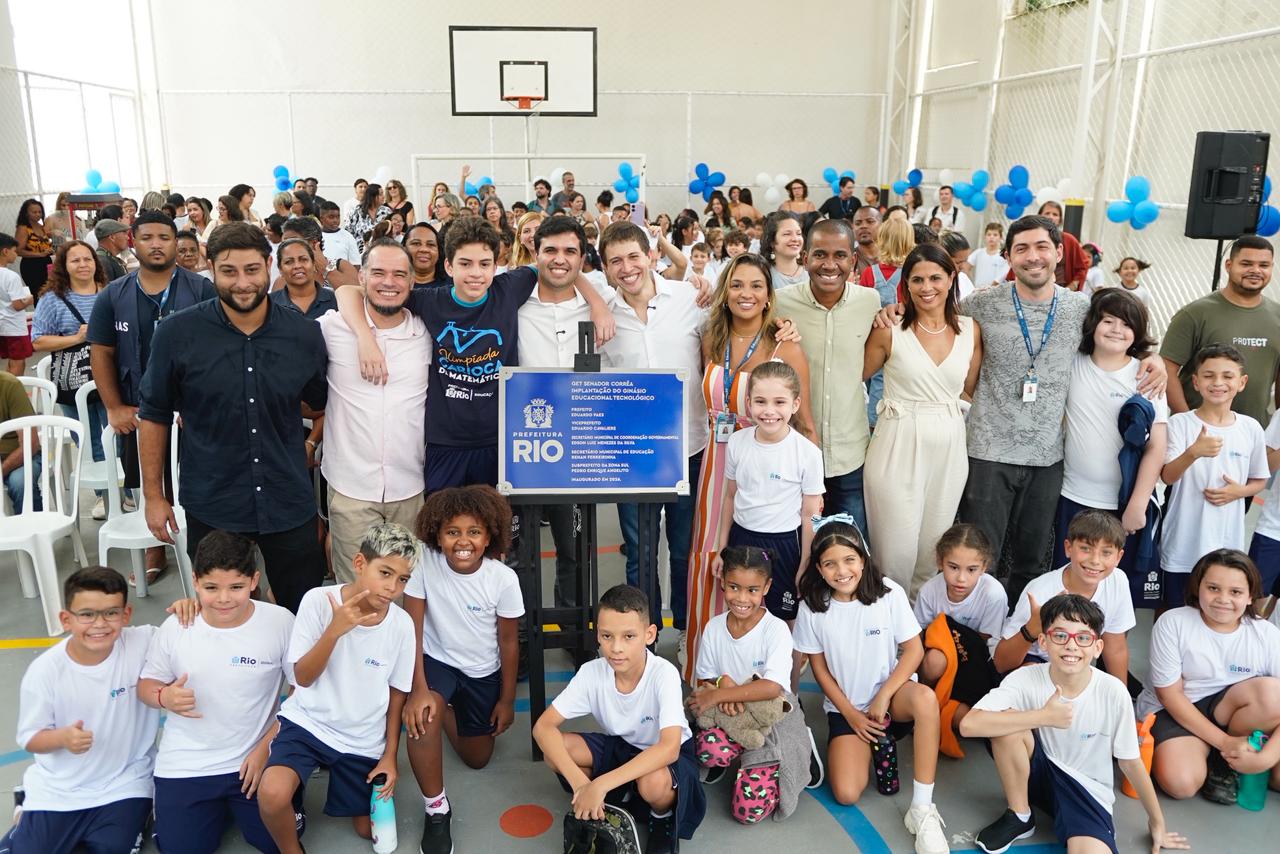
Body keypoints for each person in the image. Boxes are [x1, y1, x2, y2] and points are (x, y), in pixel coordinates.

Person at [948, 215, 1164, 604]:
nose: (1033, 257)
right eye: (1022, 249)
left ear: (1059, 253)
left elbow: (1122, 330)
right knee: (982, 557)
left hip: (1048, 458)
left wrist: (1154, 359)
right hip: (987, 453)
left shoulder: (1082, 308)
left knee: (1033, 561)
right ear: (1008, 257)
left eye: (1041, 247)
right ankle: (979, 635)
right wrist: (890, 313)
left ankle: (1022, 630)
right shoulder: (980, 304)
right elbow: (932, 322)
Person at [337, 216, 611, 493]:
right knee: (443, 518)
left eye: (484, 264)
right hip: (445, 443)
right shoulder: (430, 300)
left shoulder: (509, 288)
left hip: (500, 440)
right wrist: (364, 337)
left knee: (495, 519)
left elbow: (556, 267)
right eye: (465, 264)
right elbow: (348, 291)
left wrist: (597, 303)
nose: (476, 273)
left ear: (495, 266)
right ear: (448, 266)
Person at [138, 221, 328, 613]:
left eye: (252, 270)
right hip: (214, 499)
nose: (242, 283)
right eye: (229, 271)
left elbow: (320, 401)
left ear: (268, 265)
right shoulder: (176, 333)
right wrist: (154, 496)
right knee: (223, 613)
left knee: (302, 610)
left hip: (286, 497)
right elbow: (154, 415)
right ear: (210, 268)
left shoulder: (303, 334)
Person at [963, 594, 1187, 854]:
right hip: (1039, 774)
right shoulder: (1024, 678)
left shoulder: (1113, 691)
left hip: (1085, 789)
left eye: (1083, 638)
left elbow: (1130, 762)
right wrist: (1042, 716)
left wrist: (1157, 822)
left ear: (1098, 647)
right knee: (1007, 724)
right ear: (1043, 642)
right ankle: (1020, 815)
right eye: (1060, 636)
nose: (1071, 646)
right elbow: (969, 725)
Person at [684, 253, 813, 676]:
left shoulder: (784, 345)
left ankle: (764, 672)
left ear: (769, 294)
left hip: (764, 464)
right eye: (737, 284)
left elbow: (805, 422)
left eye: (757, 285)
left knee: (761, 567)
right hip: (716, 461)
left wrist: (812, 494)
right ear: (725, 292)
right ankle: (709, 662)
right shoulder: (711, 337)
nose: (746, 293)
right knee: (711, 555)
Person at [255, 523, 418, 854]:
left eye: (402, 579)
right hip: (309, 724)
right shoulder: (318, 601)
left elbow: (397, 695)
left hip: (362, 737)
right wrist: (334, 631)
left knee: (367, 831)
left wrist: (390, 756)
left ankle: (320, 785)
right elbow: (302, 678)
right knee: (272, 794)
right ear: (359, 563)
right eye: (385, 573)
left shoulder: (401, 625)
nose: (392, 588)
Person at [792, 520, 948, 854]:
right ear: (818, 568)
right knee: (847, 793)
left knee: (925, 698)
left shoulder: (888, 592)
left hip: (891, 699)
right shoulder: (812, 607)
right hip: (849, 709)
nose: (841, 571)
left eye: (849, 560)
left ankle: (922, 809)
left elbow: (914, 650)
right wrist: (851, 714)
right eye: (830, 563)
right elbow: (819, 669)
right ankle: (876, 742)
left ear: (863, 559)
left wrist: (883, 696)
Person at [138, 531, 295, 854]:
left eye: (236, 587)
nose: (224, 598)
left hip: (254, 758)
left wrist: (267, 747)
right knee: (181, 849)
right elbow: (146, 685)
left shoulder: (280, 622)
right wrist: (163, 697)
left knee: (276, 840)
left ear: (254, 581)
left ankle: (225, 810)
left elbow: (302, 692)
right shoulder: (177, 626)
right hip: (187, 763)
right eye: (211, 588)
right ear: (195, 581)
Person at [89, 210, 216, 585]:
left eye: (164, 237)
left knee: (201, 484)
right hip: (141, 409)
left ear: (176, 242)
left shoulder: (201, 290)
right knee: (150, 481)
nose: (156, 245)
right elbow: (101, 352)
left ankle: (207, 553)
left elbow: (217, 352)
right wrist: (114, 407)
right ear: (133, 242)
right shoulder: (114, 295)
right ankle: (155, 546)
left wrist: (201, 405)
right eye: (147, 238)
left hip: (192, 411)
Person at [533, 584, 706, 853]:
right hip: (622, 746)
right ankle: (612, 796)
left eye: (628, 636)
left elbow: (669, 748)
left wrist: (600, 784)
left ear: (649, 635)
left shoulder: (663, 674)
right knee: (555, 752)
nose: (615, 648)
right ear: (598, 635)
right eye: (607, 636)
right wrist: (582, 785)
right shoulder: (591, 672)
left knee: (652, 782)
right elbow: (543, 727)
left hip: (663, 755)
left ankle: (661, 818)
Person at [4, 567, 158, 854]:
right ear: (66, 619)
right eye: (87, 614)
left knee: (113, 849)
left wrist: (190, 606)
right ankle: (26, 805)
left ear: (126, 614)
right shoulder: (45, 672)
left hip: (124, 781)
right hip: (61, 788)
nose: (100, 624)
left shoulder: (143, 641)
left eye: (111, 613)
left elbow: (189, 631)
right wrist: (62, 738)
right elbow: (30, 738)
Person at [403, 486, 522, 854]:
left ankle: (447, 710)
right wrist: (417, 690)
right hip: (436, 662)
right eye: (452, 532)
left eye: (474, 532)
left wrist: (506, 700)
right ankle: (436, 808)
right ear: (437, 535)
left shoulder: (503, 579)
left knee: (477, 758)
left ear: (489, 537)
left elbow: (509, 643)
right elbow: (412, 629)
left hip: (481, 671)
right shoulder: (424, 561)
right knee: (423, 717)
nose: (463, 541)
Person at [863, 244, 981, 596]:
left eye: (935, 278)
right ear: (906, 285)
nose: (926, 287)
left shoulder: (970, 330)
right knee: (894, 551)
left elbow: (970, 389)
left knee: (933, 548)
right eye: (917, 280)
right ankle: (887, 620)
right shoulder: (890, 329)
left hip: (948, 443)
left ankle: (922, 620)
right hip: (898, 439)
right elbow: (852, 378)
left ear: (951, 278)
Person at [317, 238, 428, 582]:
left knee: (407, 587)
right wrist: (365, 337)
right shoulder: (332, 328)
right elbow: (344, 292)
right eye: (378, 272)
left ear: (412, 281)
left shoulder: (428, 333)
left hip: (410, 486)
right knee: (356, 590)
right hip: (350, 487)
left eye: (399, 274)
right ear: (362, 277)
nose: (388, 282)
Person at [686, 545, 817, 824]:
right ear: (723, 583)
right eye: (734, 587)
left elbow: (772, 688)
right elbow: (707, 677)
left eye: (752, 590)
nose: (742, 598)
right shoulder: (714, 627)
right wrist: (720, 683)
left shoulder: (776, 629)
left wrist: (722, 694)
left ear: (766, 587)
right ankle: (738, 753)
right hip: (731, 712)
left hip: (770, 714)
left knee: (747, 813)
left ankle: (792, 748)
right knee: (706, 750)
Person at [1136, 549, 1280, 802]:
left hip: (1232, 712)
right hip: (1177, 710)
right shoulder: (1173, 623)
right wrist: (1224, 742)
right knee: (1181, 783)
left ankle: (1223, 764)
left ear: (1250, 596)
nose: (1223, 599)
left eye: (1235, 592)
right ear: (1197, 588)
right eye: (1213, 588)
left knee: (1271, 693)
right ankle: (1224, 753)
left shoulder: (1266, 634)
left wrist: (1268, 758)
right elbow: (1170, 696)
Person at [1054, 289, 1167, 591]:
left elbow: (1156, 447)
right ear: (1093, 324)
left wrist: (1138, 504)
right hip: (1072, 497)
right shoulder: (1073, 364)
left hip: (1122, 504)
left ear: (1137, 332)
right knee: (1069, 584)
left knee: (1114, 588)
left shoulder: (1146, 376)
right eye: (1108, 320)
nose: (1117, 329)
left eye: (1127, 324)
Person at [776, 219, 880, 538]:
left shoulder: (870, 302)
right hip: (794, 453)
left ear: (853, 260)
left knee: (850, 546)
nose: (830, 264)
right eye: (820, 254)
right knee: (797, 547)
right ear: (805, 257)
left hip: (850, 456)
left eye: (840, 255)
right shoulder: (780, 303)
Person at [711, 361, 824, 627]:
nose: (769, 411)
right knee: (740, 609)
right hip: (742, 538)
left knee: (785, 618)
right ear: (748, 403)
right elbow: (730, 497)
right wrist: (721, 548)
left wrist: (805, 563)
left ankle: (785, 659)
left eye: (779, 402)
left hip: (785, 544)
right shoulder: (737, 442)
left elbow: (810, 514)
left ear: (795, 404)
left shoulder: (808, 453)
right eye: (761, 401)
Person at [1160, 344, 1268, 606]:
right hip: (1181, 542)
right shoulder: (1180, 423)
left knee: (1214, 609)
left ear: (1242, 382)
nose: (1218, 383)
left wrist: (1239, 492)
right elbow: (1167, 476)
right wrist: (1193, 453)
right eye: (1209, 376)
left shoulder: (1251, 428)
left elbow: (1259, 479)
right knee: (1172, 608)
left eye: (1227, 376)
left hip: (1225, 545)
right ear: (1196, 382)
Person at [994, 510, 1136, 684]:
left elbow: (1115, 647)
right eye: (1086, 549)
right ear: (1068, 548)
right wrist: (1032, 628)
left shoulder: (1118, 580)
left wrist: (1121, 696)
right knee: (1036, 673)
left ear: (1118, 557)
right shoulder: (1041, 591)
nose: (1095, 560)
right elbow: (1001, 663)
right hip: (1033, 661)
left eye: (1106, 553)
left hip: (1075, 661)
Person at [1161, 236, 1279, 423]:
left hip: (1256, 432)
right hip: (1198, 432)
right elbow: (1166, 369)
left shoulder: (1277, 316)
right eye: (1246, 264)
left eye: (1263, 265)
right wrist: (1188, 422)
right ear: (1228, 265)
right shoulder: (1195, 313)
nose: (1255, 270)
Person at [914, 524, 1005, 758]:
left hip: (974, 669)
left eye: (972, 569)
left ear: (984, 566)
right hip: (940, 668)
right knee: (934, 660)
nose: (961, 578)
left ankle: (945, 709)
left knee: (968, 723)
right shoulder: (929, 591)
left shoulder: (993, 594)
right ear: (940, 561)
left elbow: (986, 647)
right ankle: (926, 703)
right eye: (953, 567)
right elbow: (920, 639)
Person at [31, 240, 108, 517]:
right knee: (87, 437)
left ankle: (124, 491)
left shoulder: (110, 293)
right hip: (72, 379)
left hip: (110, 374)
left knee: (117, 435)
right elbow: (38, 341)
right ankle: (104, 496)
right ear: (63, 266)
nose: (83, 265)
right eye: (75, 260)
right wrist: (76, 338)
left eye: (87, 259)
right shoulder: (52, 299)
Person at [281, 216, 358, 290]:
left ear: (314, 242)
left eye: (293, 241)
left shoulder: (340, 266)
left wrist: (325, 268)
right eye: (284, 243)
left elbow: (357, 294)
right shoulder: (288, 273)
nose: (287, 247)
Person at [0, 368, 39, 511]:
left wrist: (2, 469)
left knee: (20, 483)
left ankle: (32, 524)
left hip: (19, 457)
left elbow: (31, 444)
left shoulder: (10, 385)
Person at [270, 238, 338, 320]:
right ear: (280, 269)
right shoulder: (268, 305)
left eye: (303, 259)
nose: (297, 266)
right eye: (289, 262)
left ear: (314, 264)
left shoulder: (336, 300)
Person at [1033, 201, 1088, 291]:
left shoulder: (1069, 240)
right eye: (1047, 213)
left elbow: (1083, 265)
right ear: (1039, 216)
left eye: (1055, 214)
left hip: (1063, 291)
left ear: (1060, 220)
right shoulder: (1030, 239)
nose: (1051, 217)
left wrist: (1072, 286)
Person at [0, 233, 33, 374]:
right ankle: (14, 388)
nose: (16, 254)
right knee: (18, 362)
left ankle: (6, 387)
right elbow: (18, 305)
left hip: (2, 325)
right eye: (14, 251)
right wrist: (29, 300)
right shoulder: (11, 276)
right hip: (14, 326)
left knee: (11, 361)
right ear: (5, 251)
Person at [14, 198, 54, 301]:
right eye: (34, 212)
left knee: (50, 293)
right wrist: (40, 254)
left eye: (40, 212)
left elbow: (44, 244)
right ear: (26, 213)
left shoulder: (41, 226)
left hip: (46, 263)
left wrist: (50, 249)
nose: (38, 214)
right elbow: (18, 250)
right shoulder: (23, 228)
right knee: (38, 295)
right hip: (32, 265)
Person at [761, 211, 806, 290]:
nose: (795, 239)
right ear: (772, 241)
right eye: (787, 234)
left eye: (798, 234)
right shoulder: (764, 275)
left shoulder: (811, 272)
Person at [345, 182, 390, 254]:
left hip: (382, 250)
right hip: (360, 252)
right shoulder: (357, 211)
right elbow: (348, 231)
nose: (383, 196)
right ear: (372, 196)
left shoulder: (386, 211)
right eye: (381, 194)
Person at [319, 200, 362, 268]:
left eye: (338, 217)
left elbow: (356, 264)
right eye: (331, 217)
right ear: (321, 218)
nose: (335, 220)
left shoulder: (348, 236)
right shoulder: (316, 237)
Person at [968, 222, 1009, 289]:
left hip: (995, 291)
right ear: (985, 236)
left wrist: (990, 288)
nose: (991, 237)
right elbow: (965, 267)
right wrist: (970, 284)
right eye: (989, 234)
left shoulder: (1003, 256)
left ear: (1001, 237)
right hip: (977, 290)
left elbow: (1000, 279)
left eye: (995, 235)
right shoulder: (978, 252)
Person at [405, 221, 446, 287]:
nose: (424, 249)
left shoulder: (454, 286)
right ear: (404, 248)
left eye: (431, 244)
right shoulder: (392, 284)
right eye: (416, 243)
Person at [849, 204, 882, 282]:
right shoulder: (848, 259)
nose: (863, 226)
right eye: (858, 223)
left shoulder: (894, 258)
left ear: (882, 226)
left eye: (870, 222)